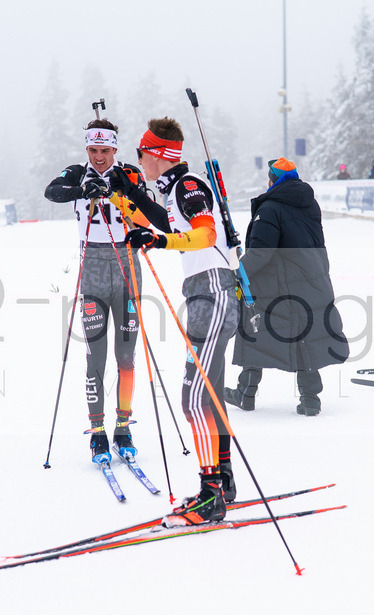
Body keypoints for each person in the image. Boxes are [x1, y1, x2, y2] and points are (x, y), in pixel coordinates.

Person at [108, 116, 239, 526]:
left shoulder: (189, 186)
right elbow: (159, 222)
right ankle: (222, 483)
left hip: (213, 295)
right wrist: (121, 195)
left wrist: (160, 240)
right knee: (209, 398)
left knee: (194, 401)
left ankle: (210, 495)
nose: (138, 159)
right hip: (206, 296)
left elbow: (205, 234)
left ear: (157, 154)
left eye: (140, 153)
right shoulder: (174, 192)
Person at [44, 118, 149, 466]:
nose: (99, 157)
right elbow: (52, 191)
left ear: (115, 149)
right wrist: (82, 191)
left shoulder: (130, 173)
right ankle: (98, 433)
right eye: (93, 150)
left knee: (127, 358)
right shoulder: (77, 172)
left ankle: (123, 428)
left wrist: (124, 194)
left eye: (105, 151)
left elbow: (148, 216)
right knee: (96, 358)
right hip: (93, 273)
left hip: (128, 270)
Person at [223, 157, 349, 416]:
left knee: (253, 328)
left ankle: (245, 394)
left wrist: (236, 272)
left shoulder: (270, 209)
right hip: (312, 278)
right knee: (305, 334)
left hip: (281, 283)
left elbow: (261, 253)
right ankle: (311, 398)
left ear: (273, 180)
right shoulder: (308, 203)